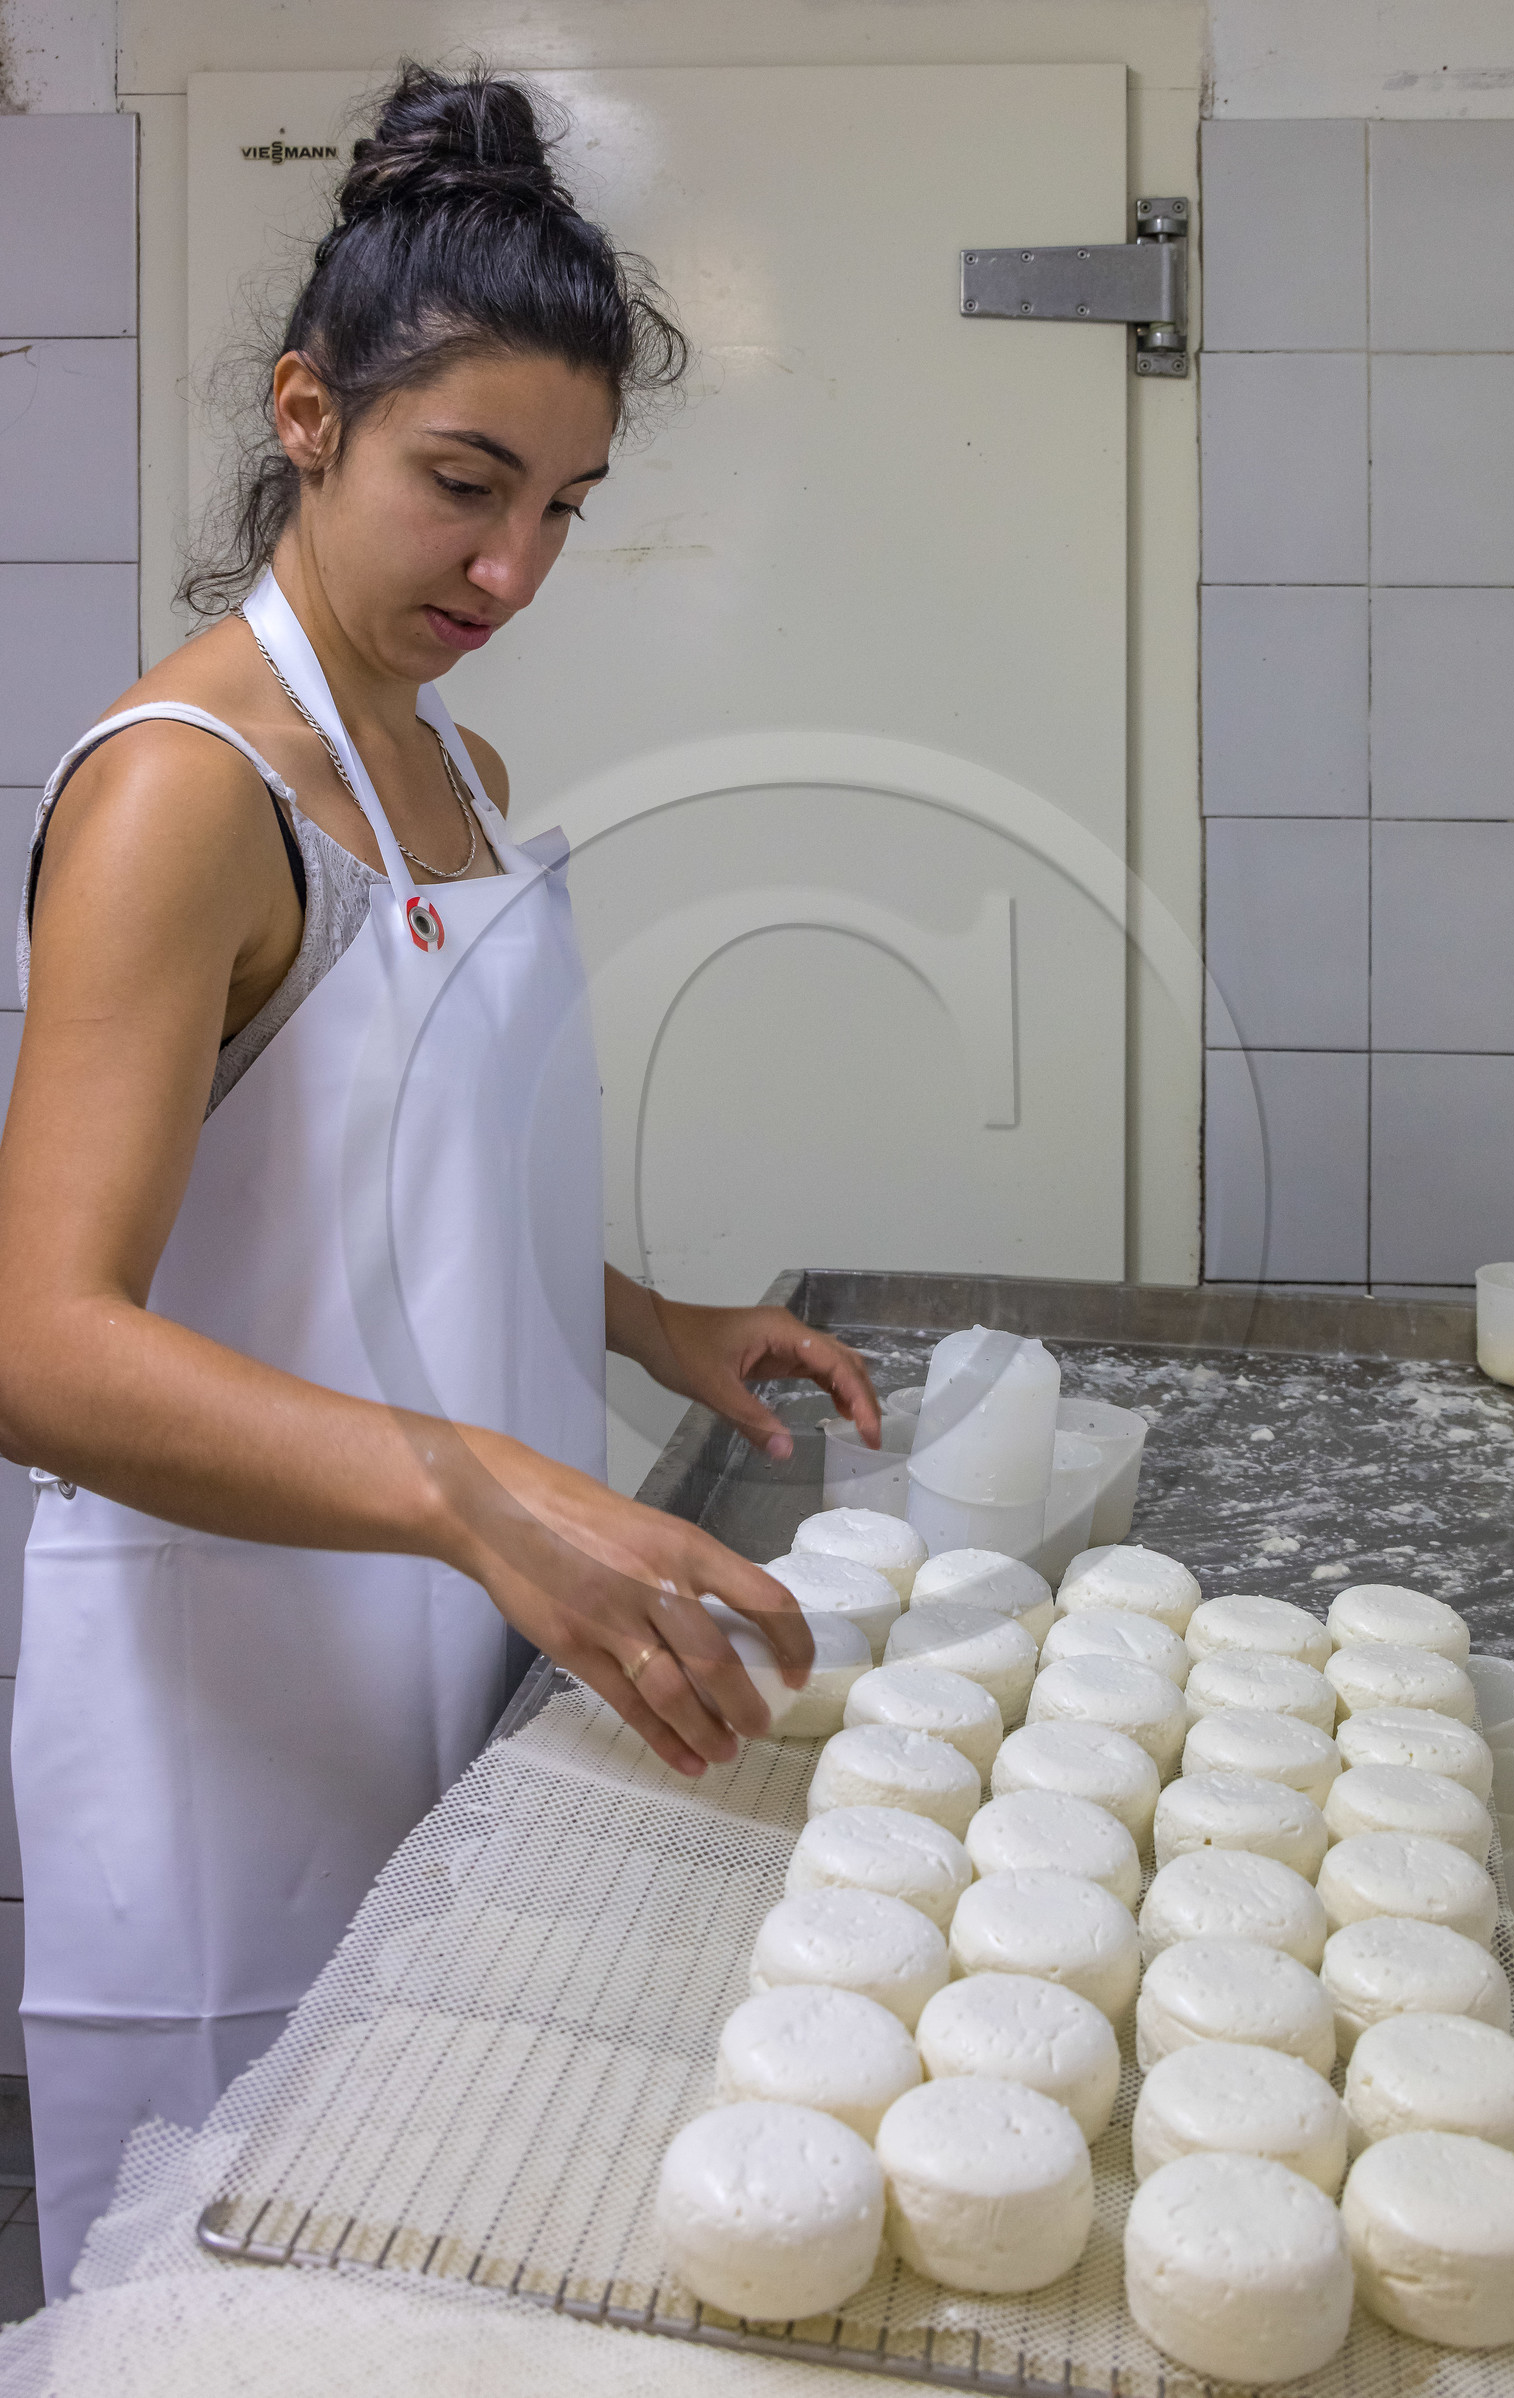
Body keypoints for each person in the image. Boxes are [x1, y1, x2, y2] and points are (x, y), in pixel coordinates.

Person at [0, 61, 879, 2297]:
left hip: (459, 1621)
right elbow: (39, 1347)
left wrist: (644, 1321)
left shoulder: (449, 762)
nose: (512, 570)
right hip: (238, 1691)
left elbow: (388, 1172)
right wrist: (476, 1489)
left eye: (565, 508)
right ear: (308, 416)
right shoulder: (181, 792)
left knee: (451, 2227)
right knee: (242, 2276)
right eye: (464, 486)